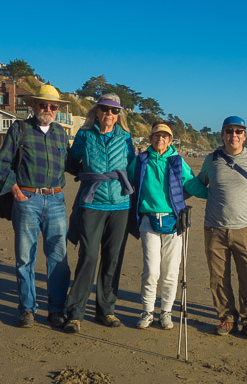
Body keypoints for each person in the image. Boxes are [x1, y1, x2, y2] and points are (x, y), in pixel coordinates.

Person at [0, 84, 71, 328]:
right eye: (43, 105)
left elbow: (72, 164)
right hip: (27, 200)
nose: (48, 109)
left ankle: (56, 309)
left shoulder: (60, 133)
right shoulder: (20, 129)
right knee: (25, 257)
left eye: (53, 106)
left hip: (57, 200)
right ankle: (27, 309)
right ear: (34, 106)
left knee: (58, 258)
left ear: (58, 109)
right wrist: (15, 189)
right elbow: (1, 164)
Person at [196, 116, 247, 341]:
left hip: (244, 230)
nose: (234, 136)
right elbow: (199, 183)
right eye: (229, 131)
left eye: (238, 132)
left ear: (245, 136)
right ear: (222, 135)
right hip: (214, 229)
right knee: (218, 277)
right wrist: (172, 197)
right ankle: (227, 318)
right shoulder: (212, 159)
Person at [64, 93, 136, 333]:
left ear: (119, 115)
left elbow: (133, 168)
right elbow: (72, 162)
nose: (109, 114)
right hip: (91, 203)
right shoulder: (84, 135)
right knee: (89, 256)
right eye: (105, 109)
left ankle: (106, 310)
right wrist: (88, 175)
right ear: (96, 111)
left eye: (114, 111)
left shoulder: (126, 138)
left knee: (113, 258)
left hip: (120, 206)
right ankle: (75, 313)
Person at [127, 122, 207, 330]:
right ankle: (147, 311)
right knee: (151, 271)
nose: (160, 139)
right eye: (156, 135)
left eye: (165, 136)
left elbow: (192, 184)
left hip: (174, 222)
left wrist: (216, 194)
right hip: (148, 221)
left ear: (170, 140)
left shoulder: (177, 161)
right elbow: (125, 181)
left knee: (171, 271)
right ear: (151, 138)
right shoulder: (140, 160)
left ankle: (166, 312)